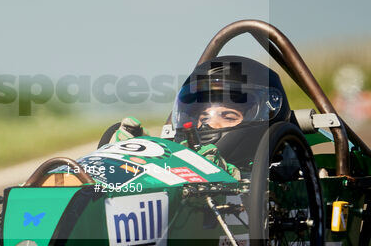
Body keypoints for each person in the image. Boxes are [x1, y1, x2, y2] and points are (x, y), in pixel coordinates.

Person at [109, 56, 291, 179]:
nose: (208, 124)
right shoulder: (183, 152)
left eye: (227, 116)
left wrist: (230, 174)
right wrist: (131, 151)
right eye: (203, 117)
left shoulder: (285, 171)